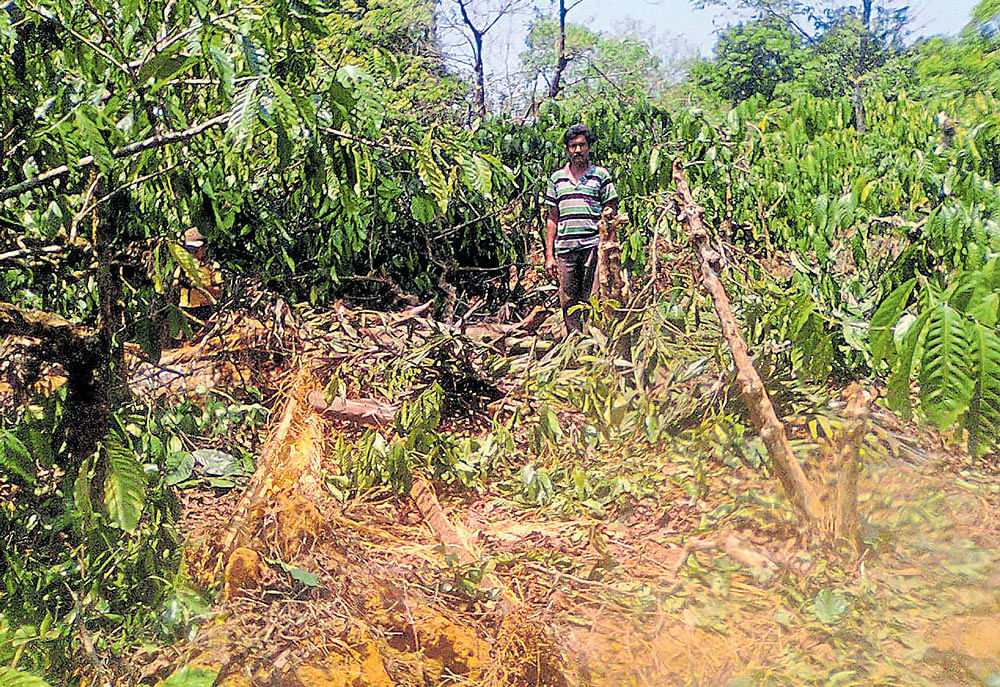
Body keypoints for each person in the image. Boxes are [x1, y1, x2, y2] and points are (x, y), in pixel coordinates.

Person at [543, 123, 619, 335]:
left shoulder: (600, 175)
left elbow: (611, 207)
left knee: (592, 296)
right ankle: (574, 344)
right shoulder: (557, 179)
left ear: (588, 147)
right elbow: (552, 217)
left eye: (582, 145)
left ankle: (592, 342)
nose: (578, 150)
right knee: (568, 298)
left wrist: (608, 239)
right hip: (566, 249)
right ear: (567, 149)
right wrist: (549, 255)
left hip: (592, 247)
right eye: (573, 145)